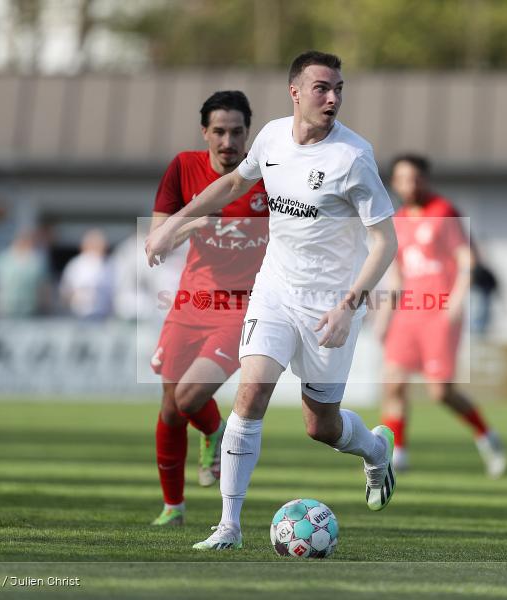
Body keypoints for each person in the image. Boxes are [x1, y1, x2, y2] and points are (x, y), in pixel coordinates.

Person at [146, 51, 399, 551]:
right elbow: (235, 182)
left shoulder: (353, 157)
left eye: (339, 89)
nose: (333, 98)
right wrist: (174, 224)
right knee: (251, 394)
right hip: (276, 290)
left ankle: (374, 450)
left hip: (330, 305)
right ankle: (228, 527)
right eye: (322, 88)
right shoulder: (271, 139)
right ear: (295, 93)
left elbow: (386, 242)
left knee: (319, 426)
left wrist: (349, 306)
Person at [147, 90, 270, 527]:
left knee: (190, 396)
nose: (228, 141)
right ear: (205, 133)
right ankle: (173, 507)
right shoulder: (184, 167)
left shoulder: (266, 176)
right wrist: (198, 220)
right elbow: (161, 234)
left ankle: (214, 429)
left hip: (241, 306)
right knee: (168, 409)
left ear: (248, 134)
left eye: (237, 132)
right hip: (190, 299)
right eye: (219, 131)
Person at [374, 155, 506, 478]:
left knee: (440, 392)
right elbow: (398, 276)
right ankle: (398, 455)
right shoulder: (398, 220)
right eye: (404, 179)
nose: (410, 185)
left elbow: (468, 260)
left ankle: (487, 437)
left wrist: (457, 301)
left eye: (416, 178)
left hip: (439, 315)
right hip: (407, 314)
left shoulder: (443, 212)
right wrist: (383, 317)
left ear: (426, 179)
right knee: (393, 385)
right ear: (395, 183)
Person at [59, 229, 112, 319]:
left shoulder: (109, 265)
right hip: (78, 315)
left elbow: (114, 292)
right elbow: (65, 291)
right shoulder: (76, 264)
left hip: (103, 315)